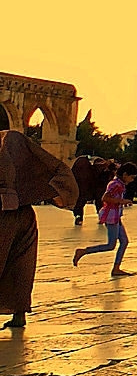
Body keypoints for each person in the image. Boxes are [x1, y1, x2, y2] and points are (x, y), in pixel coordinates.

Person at [1, 131, 78, 328]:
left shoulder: (4, 145)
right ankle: (19, 314)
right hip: (25, 213)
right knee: (22, 265)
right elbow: (55, 168)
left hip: (3, 214)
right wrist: (58, 191)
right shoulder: (17, 144)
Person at [74, 162, 137, 276]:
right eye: (132, 177)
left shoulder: (120, 184)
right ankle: (83, 251)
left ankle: (116, 268)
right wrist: (122, 201)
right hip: (111, 217)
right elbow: (105, 198)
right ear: (125, 174)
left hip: (116, 216)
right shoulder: (115, 184)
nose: (132, 180)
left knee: (124, 242)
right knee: (110, 245)